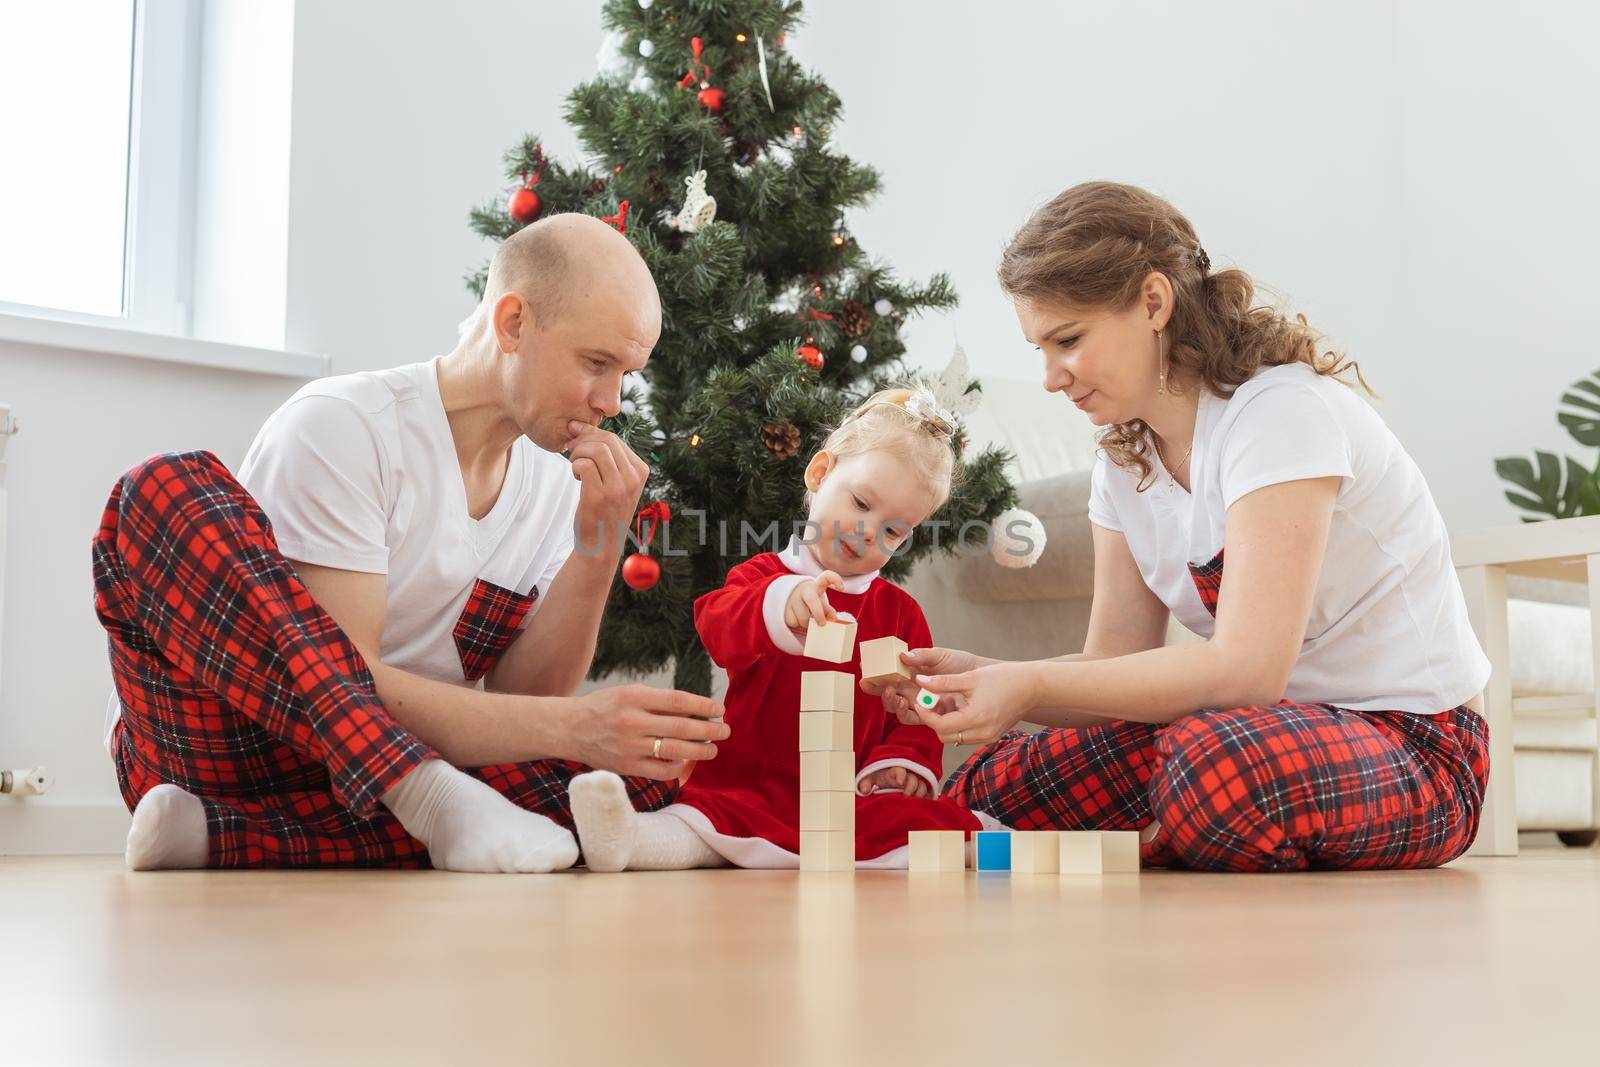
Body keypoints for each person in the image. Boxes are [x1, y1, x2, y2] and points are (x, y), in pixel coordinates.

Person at [93, 214, 729, 873]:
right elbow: (342, 681)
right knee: (163, 487)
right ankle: (428, 798)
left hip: (354, 784)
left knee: (630, 782)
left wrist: (597, 543)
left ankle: (219, 833)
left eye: (625, 373)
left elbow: (523, 702)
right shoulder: (344, 425)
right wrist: (574, 728)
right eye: (596, 363)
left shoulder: (554, 479)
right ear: (513, 322)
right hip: (223, 736)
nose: (611, 400)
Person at [888, 182, 1491, 872]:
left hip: (1416, 745)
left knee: (1209, 769)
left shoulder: (1279, 414)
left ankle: (1157, 836)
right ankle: (1166, 836)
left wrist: (1028, 687)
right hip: (1250, 729)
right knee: (988, 788)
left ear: (1153, 301)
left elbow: (1247, 669)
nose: (1052, 376)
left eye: (1069, 340)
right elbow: (1111, 661)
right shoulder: (1124, 460)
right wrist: (995, 674)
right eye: (1040, 349)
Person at [566, 387, 991, 871]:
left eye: (893, 531)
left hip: (846, 794)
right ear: (819, 473)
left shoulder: (901, 613)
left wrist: (901, 761)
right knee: (707, 817)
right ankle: (628, 837)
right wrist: (780, 604)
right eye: (860, 503)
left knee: (925, 821)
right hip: (753, 778)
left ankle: (994, 842)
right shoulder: (765, 576)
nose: (868, 531)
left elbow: (918, 702)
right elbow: (717, 625)